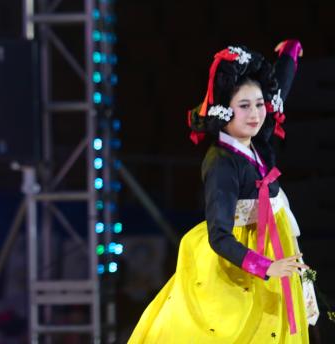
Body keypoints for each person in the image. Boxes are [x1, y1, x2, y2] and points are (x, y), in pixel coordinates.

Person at [129, 40, 316, 343]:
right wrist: (267, 266)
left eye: (258, 104)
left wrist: (290, 53)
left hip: (273, 242)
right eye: (244, 106)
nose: (255, 113)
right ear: (224, 112)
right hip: (243, 259)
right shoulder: (222, 163)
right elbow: (219, 236)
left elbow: (280, 89)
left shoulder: (257, 140)